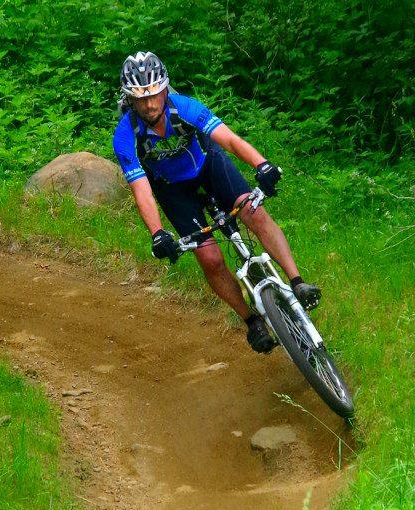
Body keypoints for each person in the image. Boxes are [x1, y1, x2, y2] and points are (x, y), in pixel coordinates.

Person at [111, 51, 321, 354]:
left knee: (253, 210)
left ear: (165, 88)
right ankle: (251, 322)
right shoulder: (124, 137)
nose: (149, 104)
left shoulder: (183, 107)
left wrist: (262, 165)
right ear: (129, 99)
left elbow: (230, 139)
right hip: (172, 189)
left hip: (208, 166)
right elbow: (141, 189)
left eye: (155, 94)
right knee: (209, 258)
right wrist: (157, 233)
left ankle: (298, 281)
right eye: (140, 98)